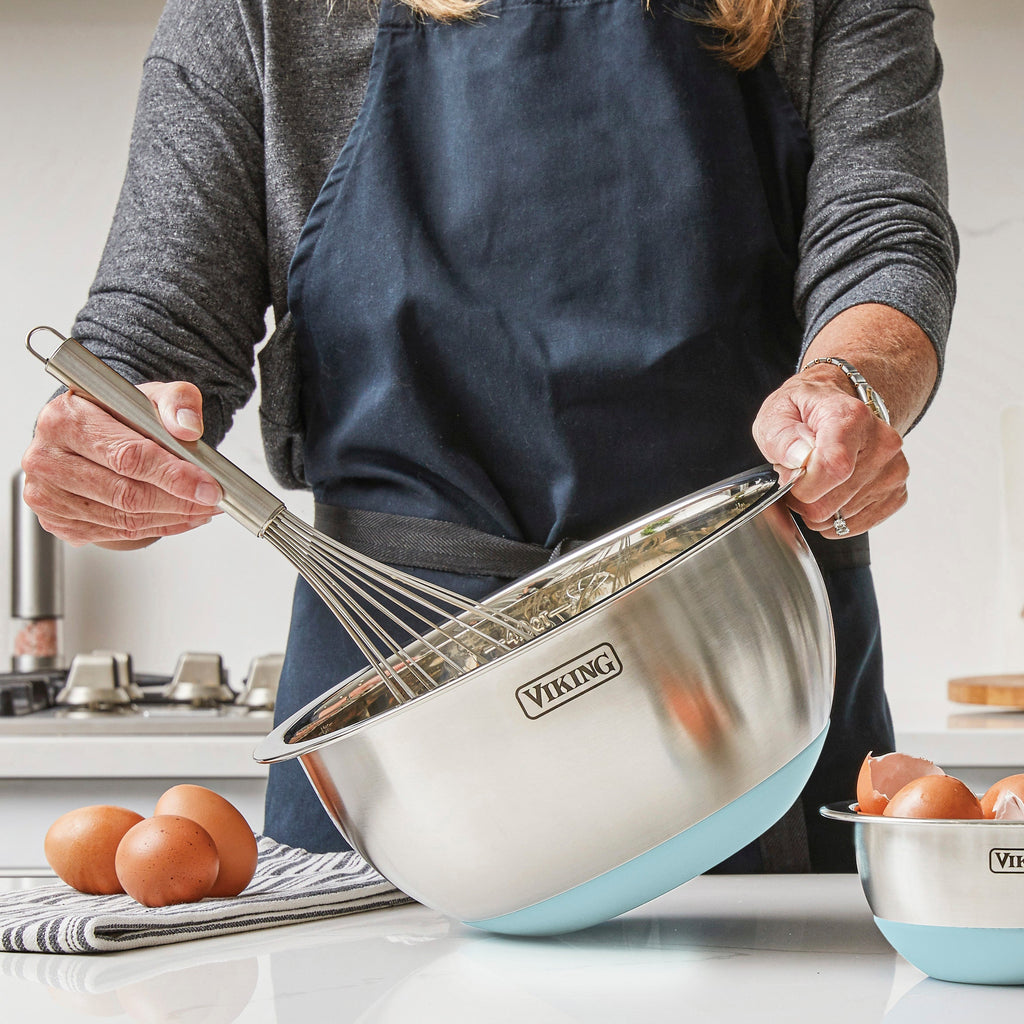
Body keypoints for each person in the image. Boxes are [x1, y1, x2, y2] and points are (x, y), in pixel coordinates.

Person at [20, 0, 957, 871]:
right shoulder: (267, 16)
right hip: (404, 716)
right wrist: (106, 446)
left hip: (744, 687)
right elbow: (152, 334)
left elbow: (885, 239)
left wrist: (849, 386)